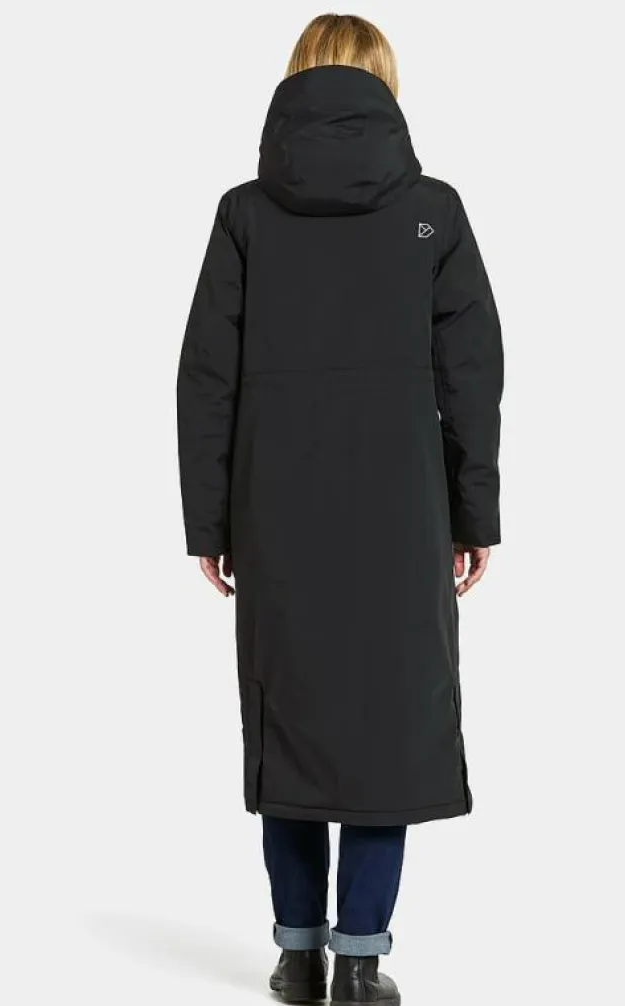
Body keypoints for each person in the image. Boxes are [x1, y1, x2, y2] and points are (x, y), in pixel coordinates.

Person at [177, 13, 503, 1005]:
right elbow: (472, 374)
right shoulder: (432, 212)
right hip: (402, 510)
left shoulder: (245, 214)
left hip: (274, 510)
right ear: (385, 87)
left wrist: (209, 523)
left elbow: (205, 379)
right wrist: (473, 514)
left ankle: (295, 953)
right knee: (383, 720)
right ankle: (360, 957)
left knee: (294, 712)